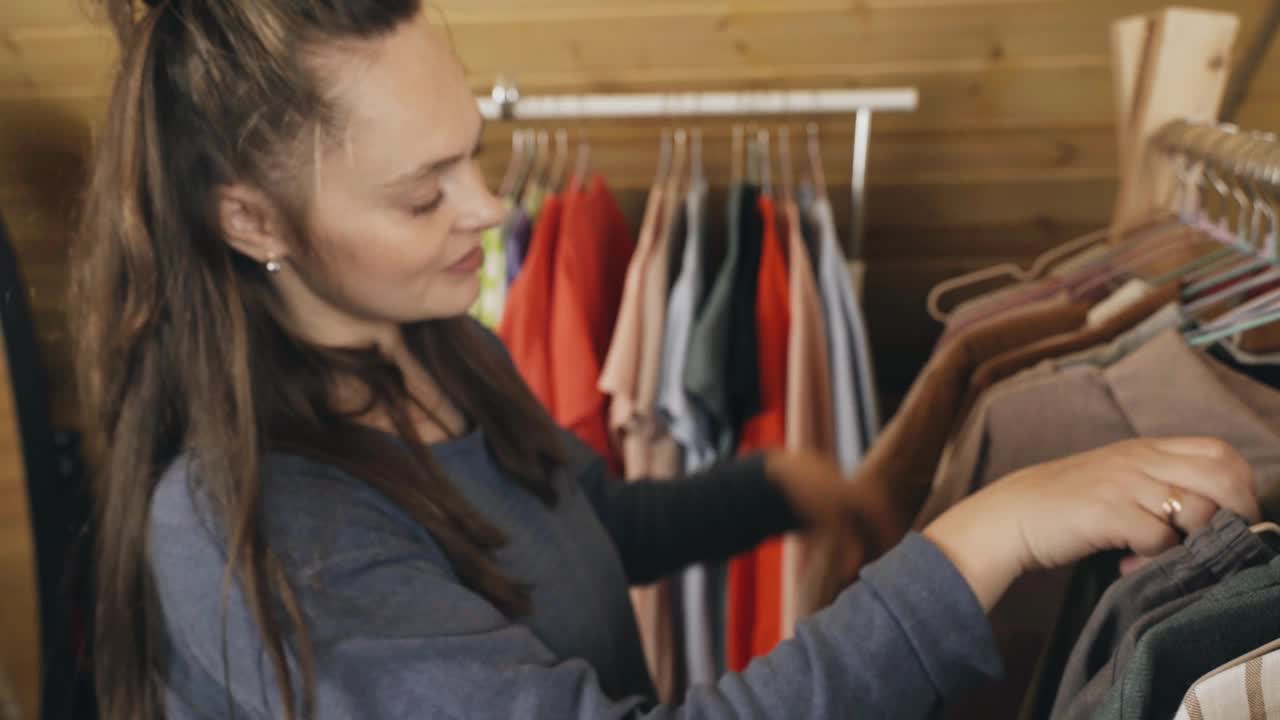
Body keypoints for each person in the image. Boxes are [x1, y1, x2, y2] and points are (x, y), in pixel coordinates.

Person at [69, 1, 1261, 718]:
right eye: (420, 191)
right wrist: (977, 539)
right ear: (251, 222)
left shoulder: (439, 346)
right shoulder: (263, 533)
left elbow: (580, 532)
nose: (484, 209)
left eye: (473, 151)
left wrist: (777, 487)